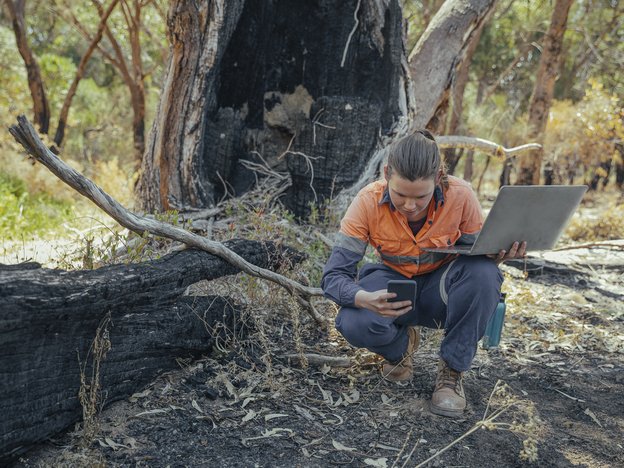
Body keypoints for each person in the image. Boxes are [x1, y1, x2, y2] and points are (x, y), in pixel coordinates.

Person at [320, 130, 526, 418]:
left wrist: (499, 254)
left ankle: (452, 373)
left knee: (484, 273)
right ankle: (400, 350)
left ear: (439, 176)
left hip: (442, 291)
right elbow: (333, 277)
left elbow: (477, 265)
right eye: (400, 194)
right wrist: (363, 297)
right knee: (351, 320)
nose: (410, 206)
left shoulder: (461, 195)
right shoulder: (367, 202)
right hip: (393, 289)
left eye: (421, 197)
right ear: (386, 173)